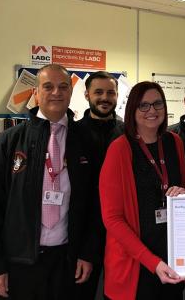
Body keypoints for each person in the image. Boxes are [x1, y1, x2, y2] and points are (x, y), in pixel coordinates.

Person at [0, 64, 99, 299]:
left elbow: (95, 205)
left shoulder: (86, 141)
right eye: (48, 86)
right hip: (19, 263)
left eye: (63, 87)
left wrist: (88, 253)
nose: (56, 92)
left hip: (68, 262)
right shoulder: (10, 141)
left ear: (71, 93)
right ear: (36, 93)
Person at [99, 81, 185, 300]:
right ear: (133, 110)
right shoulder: (120, 148)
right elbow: (112, 219)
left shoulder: (174, 142)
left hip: (171, 260)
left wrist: (184, 193)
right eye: (144, 105)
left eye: (158, 104)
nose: (152, 111)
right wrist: (152, 262)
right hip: (135, 265)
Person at [76, 71, 124, 299]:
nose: (105, 97)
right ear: (87, 95)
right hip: (82, 235)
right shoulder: (73, 134)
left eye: (110, 92)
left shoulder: (128, 133)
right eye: (98, 92)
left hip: (121, 232)